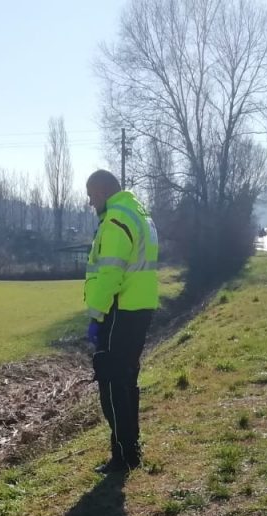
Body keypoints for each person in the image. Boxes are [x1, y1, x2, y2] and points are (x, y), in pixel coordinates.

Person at [84, 169, 160, 473]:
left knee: (112, 383)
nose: (91, 203)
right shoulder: (140, 214)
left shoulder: (116, 220)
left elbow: (110, 274)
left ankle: (123, 456)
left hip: (119, 311)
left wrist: (96, 314)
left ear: (102, 191)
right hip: (139, 308)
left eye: (91, 196)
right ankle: (131, 449)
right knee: (127, 380)